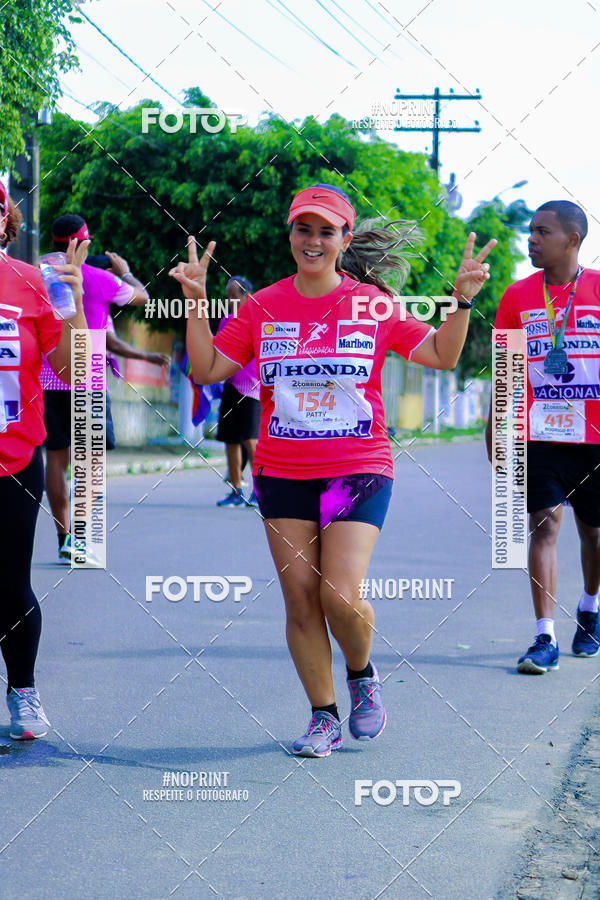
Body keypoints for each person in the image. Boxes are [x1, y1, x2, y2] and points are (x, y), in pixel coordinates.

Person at [173, 183, 495, 756]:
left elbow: (441, 355)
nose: (313, 240)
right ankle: (323, 716)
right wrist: (195, 302)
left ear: (345, 240)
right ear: (290, 234)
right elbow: (206, 368)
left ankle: (362, 675)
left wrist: (462, 300)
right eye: (304, 228)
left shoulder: (372, 304)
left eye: (326, 230)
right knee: (300, 599)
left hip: (359, 467)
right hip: (282, 471)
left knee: (339, 596)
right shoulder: (260, 306)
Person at [486, 200, 600, 674]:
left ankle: (591, 607)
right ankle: (543, 635)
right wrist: (495, 427)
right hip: (539, 434)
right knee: (544, 527)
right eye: (530, 231)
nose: (531, 239)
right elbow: (505, 367)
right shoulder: (516, 296)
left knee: (593, 532)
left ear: (572, 240)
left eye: (542, 231)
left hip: (594, 437)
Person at [0, 180, 88, 739]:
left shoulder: (35, 282)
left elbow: (75, 366)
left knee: (9, 585)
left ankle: (23, 692)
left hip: (13, 459)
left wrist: (72, 305)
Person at [41, 214, 150, 563]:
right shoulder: (102, 279)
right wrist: (126, 270)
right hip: (88, 379)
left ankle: (64, 539)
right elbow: (142, 298)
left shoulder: (38, 276)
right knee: (89, 463)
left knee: (55, 461)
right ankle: (82, 539)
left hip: (49, 378)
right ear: (81, 243)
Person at [216, 276, 260, 508]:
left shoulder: (258, 320)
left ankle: (260, 492)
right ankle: (236, 490)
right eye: (228, 296)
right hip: (230, 386)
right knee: (230, 440)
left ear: (247, 296)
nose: (230, 300)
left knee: (251, 440)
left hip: (252, 389)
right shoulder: (225, 320)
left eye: (234, 295)